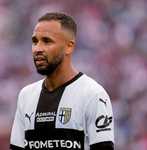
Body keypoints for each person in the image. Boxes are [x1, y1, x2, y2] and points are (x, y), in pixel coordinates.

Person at [10, 12, 114, 150]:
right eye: (35, 41)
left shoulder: (92, 95)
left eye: (47, 41)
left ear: (69, 47)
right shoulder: (26, 95)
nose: (37, 49)